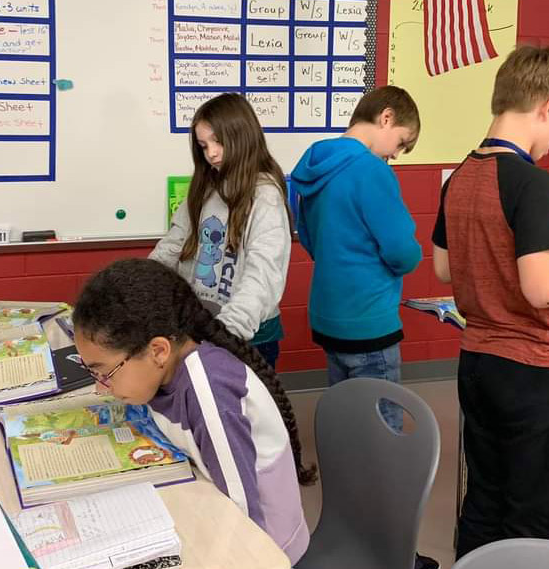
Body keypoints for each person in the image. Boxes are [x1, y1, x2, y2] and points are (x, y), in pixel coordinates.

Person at [431, 45, 549, 558]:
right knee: (533, 512)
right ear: (547, 106)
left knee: (485, 496)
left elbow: (444, 266)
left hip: (479, 362)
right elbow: (542, 290)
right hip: (531, 370)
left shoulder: (462, 174)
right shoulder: (532, 181)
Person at [71, 258, 315, 565]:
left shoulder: (209, 391)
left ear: (158, 350)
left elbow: (242, 514)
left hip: (268, 546)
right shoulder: (160, 372)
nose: (101, 388)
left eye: (105, 372)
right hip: (212, 504)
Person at [291, 86, 422, 424]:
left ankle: (349, 475)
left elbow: (308, 237)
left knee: (346, 416)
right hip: (368, 319)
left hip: (328, 315)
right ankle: (376, 478)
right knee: (380, 428)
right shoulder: (372, 170)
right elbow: (403, 252)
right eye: (400, 144)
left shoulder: (312, 165)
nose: (394, 155)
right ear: (387, 117)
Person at [150, 94, 291, 368]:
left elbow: (262, 277)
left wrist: (224, 336)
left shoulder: (265, 197)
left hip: (247, 338)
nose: (211, 153)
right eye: (203, 146)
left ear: (243, 137)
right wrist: (137, 288)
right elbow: (171, 247)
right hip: (202, 330)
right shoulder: (204, 187)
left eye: (219, 142)